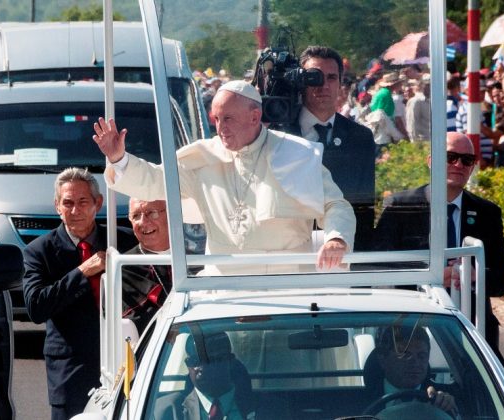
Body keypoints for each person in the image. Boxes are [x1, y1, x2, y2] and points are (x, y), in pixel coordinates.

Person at [93, 80, 356, 275]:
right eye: (216, 119)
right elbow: (154, 181)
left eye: (228, 118)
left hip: (286, 285)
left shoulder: (295, 154)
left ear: (255, 117)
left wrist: (336, 238)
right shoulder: (203, 157)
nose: (220, 128)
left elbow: (336, 205)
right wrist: (119, 158)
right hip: (224, 288)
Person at [374, 133, 504, 366]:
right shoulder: (401, 206)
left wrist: (474, 276)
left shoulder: (487, 213)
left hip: (471, 329)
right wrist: (431, 275)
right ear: (431, 161)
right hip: (410, 329)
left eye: (467, 160)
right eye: (450, 157)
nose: (458, 165)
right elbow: (380, 270)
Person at [22, 167, 137, 420]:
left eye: (83, 202)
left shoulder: (123, 242)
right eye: (68, 203)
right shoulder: (39, 251)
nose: (75, 211)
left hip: (124, 359)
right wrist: (82, 272)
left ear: (98, 203)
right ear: (57, 207)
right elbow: (36, 307)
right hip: (71, 368)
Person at [284, 46, 375, 251]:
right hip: (287, 254)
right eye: (314, 77)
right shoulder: (278, 135)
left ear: (341, 84)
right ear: (300, 82)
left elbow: (364, 210)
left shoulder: (360, 138)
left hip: (342, 252)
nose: (323, 85)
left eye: (332, 77)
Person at [154, 332, 256, 420]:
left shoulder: (263, 407)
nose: (201, 368)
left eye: (209, 361)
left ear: (229, 361)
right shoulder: (167, 411)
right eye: (194, 361)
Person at [363, 325, 458, 417]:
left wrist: (449, 409)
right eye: (405, 355)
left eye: (421, 356)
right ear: (383, 360)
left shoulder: (441, 399)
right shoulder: (358, 401)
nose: (415, 363)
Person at [122, 198, 173, 333]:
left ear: (171, 213)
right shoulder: (123, 268)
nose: (143, 222)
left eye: (152, 213)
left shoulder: (196, 256)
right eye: (136, 216)